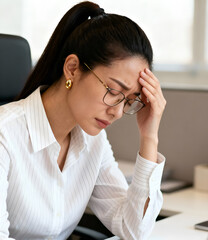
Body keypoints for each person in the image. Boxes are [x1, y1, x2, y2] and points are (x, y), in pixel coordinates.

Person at [0, 1, 166, 240]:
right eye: (113, 91)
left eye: (129, 101)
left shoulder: (92, 142)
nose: (118, 113)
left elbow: (133, 230)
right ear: (73, 68)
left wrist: (149, 137)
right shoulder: (5, 134)